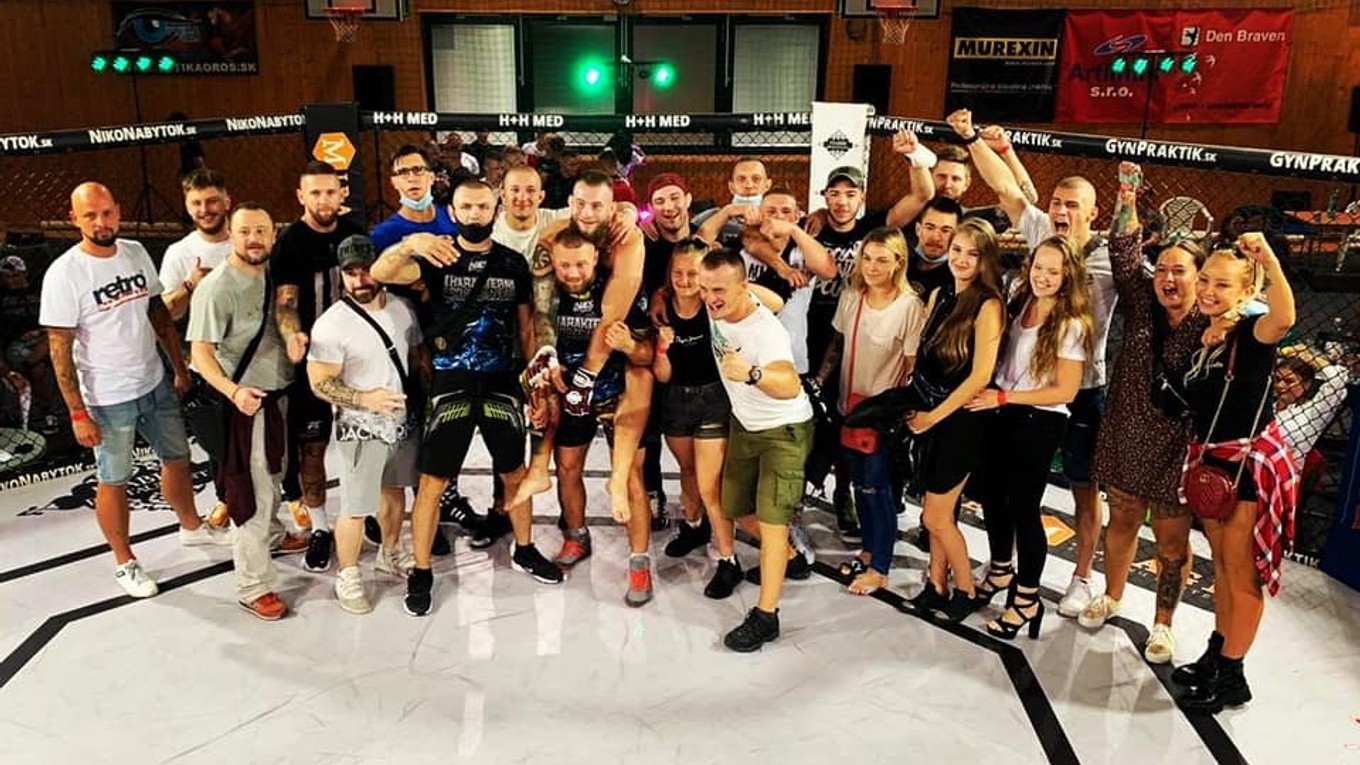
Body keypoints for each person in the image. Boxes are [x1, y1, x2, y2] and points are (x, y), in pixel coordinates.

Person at [952, 108, 1117, 619]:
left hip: (1078, 388)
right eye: (1057, 203)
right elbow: (1008, 189)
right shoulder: (1044, 234)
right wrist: (973, 138)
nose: (1062, 211)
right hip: (1018, 394)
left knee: (1082, 488)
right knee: (1005, 490)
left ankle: (1081, 576)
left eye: (1072, 205)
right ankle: (1004, 566)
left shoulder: (1111, 257)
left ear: (1093, 212)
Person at [372, 179, 562, 617]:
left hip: (501, 381)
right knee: (432, 483)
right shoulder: (436, 255)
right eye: (466, 207)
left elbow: (527, 326)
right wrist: (410, 244)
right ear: (453, 212)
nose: (475, 214)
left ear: (494, 210)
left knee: (514, 473)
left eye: (482, 206)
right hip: (450, 381)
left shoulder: (512, 262)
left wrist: (534, 382)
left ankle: (524, 548)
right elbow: (380, 273)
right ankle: (422, 571)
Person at [40, 182, 228, 598]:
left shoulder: (135, 252)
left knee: (178, 458)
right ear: (74, 219)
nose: (101, 222)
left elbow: (157, 313)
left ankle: (191, 526)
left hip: (153, 380)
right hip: (107, 396)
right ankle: (124, 561)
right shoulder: (64, 274)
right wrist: (77, 412)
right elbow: (59, 350)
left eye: (106, 212)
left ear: (118, 210)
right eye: (90, 215)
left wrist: (177, 367)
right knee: (114, 478)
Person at [1078, 164, 1209, 664]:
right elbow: (1124, 251)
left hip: (1176, 445)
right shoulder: (1141, 301)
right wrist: (1126, 196)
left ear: (1198, 277)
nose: (1168, 278)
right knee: (1122, 522)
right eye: (1164, 269)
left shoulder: (1211, 321)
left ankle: (1163, 624)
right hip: (1126, 434)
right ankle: (1112, 595)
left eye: (1180, 271)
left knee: (1172, 544)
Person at [1169, 232, 1297, 714]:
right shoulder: (1212, 332)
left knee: (1242, 576)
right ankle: (1218, 653)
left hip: (1246, 467)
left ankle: (1232, 675)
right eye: (1205, 279)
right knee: (1221, 568)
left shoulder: (1254, 330)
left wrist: (1269, 261)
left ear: (1247, 291)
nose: (1207, 290)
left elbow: (1283, 317)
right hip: (1216, 463)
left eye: (1222, 285)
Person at [966, 235, 1093, 640]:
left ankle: (1027, 599)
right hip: (1001, 411)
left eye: (1053, 271)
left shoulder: (1071, 323)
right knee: (992, 497)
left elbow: (1065, 391)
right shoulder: (1022, 301)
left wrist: (1005, 397)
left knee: (1024, 508)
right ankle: (1000, 569)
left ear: (1068, 275)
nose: (1043, 276)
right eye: (1039, 267)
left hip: (1039, 418)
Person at [531, 229, 656, 604]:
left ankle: (639, 561)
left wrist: (630, 345)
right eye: (565, 265)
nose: (572, 273)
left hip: (617, 395)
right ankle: (576, 535)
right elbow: (532, 337)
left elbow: (647, 354)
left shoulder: (618, 288)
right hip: (569, 394)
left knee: (630, 477)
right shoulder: (547, 292)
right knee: (567, 468)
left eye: (581, 264)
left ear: (596, 259)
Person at [700, 249, 815, 652]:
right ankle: (792, 559)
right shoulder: (723, 304)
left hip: (784, 431)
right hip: (745, 425)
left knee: (772, 523)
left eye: (718, 290)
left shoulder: (765, 332)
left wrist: (751, 373)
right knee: (735, 508)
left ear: (743, 287)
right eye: (704, 288)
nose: (710, 297)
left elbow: (789, 383)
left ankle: (766, 617)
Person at [187, 203, 296, 619]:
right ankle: (254, 586)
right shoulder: (217, 287)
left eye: (261, 231)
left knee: (272, 477)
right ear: (231, 235)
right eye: (245, 231)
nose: (253, 239)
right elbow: (201, 353)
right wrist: (234, 393)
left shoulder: (272, 274)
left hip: (277, 395)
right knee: (251, 492)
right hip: (245, 405)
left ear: (273, 234)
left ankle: (272, 535)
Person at [307, 235, 420, 614]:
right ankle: (348, 573)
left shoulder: (401, 309)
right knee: (356, 506)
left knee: (394, 492)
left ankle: (390, 551)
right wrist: (363, 399)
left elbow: (415, 358)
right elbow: (319, 382)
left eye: (366, 270)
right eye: (351, 273)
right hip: (360, 426)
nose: (360, 280)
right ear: (341, 275)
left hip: (400, 420)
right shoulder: (331, 324)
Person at [902, 218, 1004, 622]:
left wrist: (933, 417)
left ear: (985, 259)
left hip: (961, 421)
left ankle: (966, 589)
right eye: (956, 249)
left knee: (935, 516)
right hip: (930, 413)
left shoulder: (988, 304)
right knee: (936, 512)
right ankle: (936, 584)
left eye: (971, 253)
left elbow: (980, 377)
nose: (961, 259)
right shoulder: (940, 293)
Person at [271, 161, 368, 571]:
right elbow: (285, 303)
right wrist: (292, 334)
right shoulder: (290, 242)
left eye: (330, 191)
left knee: (366, 443)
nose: (324, 200)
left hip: (358, 357)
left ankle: (365, 512)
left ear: (342, 193)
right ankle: (321, 528)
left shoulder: (356, 234)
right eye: (315, 193)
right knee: (312, 449)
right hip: (312, 360)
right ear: (301, 196)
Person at [827, 228, 924, 596]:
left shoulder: (909, 306)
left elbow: (912, 364)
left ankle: (880, 566)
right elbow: (838, 345)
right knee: (859, 485)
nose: (872, 266)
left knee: (877, 487)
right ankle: (869, 552)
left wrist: (902, 411)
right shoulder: (851, 296)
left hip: (881, 415)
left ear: (898, 262)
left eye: (882, 260)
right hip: (849, 406)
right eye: (867, 258)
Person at [160, 169, 231, 323]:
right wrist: (189, 286)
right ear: (188, 208)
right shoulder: (178, 252)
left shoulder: (248, 243)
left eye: (212, 201)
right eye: (196, 203)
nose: (204, 210)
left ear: (226, 202)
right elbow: (164, 315)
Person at [0, 254, 56, 432]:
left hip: (45, 337)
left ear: (25, 274)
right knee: (37, 369)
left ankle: (32, 362)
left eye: (15, 275)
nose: (11, 280)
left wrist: (39, 332)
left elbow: (57, 320)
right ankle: (48, 414)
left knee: (53, 339)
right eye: (7, 277)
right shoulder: (2, 297)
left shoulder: (39, 291)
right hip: (18, 345)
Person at [1273, 350, 1348, 467]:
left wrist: (1308, 356)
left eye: (1289, 381)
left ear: (1306, 384)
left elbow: (1337, 379)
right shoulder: (1268, 406)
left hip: (1284, 470)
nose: (1280, 385)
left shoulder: (1313, 411)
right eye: (1277, 379)